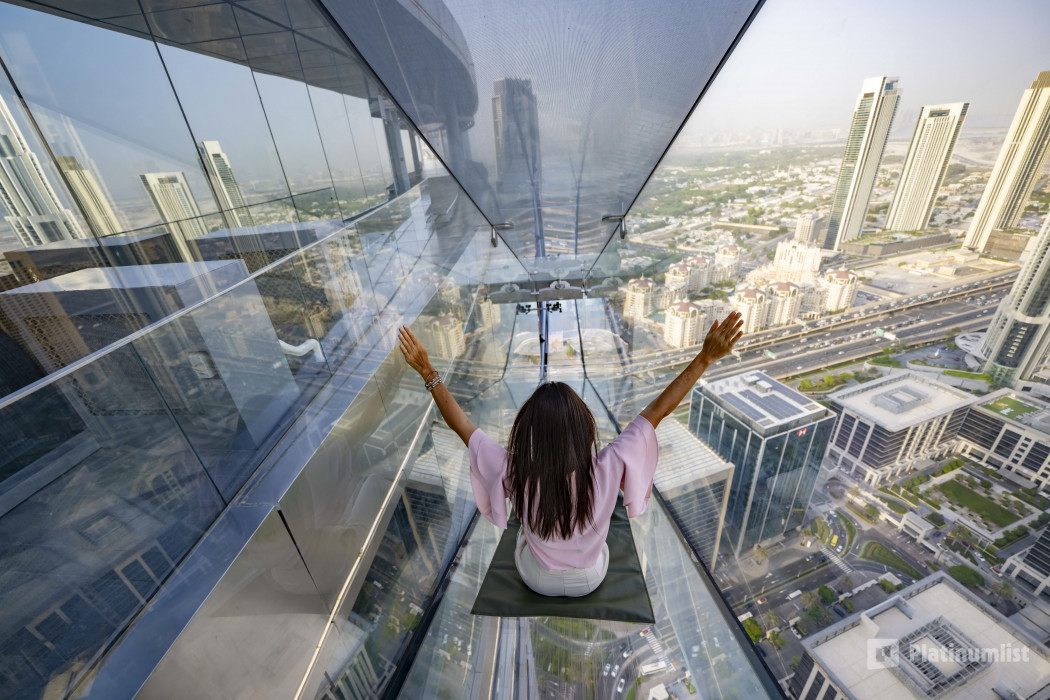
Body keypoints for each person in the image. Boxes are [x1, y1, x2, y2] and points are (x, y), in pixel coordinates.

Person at [397, 311, 743, 597]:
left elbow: (463, 426)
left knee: (522, 537)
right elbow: (659, 411)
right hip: (590, 579)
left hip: (537, 579)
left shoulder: (514, 472)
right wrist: (705, 358)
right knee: (597, 546)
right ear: (585, 431)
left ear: (530, 434)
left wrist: (428, 371)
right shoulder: (609, 466)